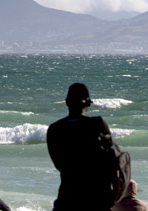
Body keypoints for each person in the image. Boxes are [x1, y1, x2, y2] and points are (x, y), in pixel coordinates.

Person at [47, 83, 120, 211]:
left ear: (66, 102)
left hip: (67, 197)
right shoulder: (97, 124)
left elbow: (58, 165)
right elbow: (112, 160)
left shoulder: (55, 128)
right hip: (96, 197)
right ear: (88, 103)